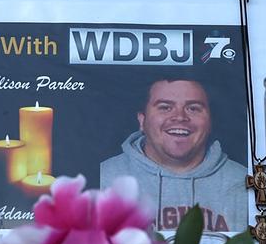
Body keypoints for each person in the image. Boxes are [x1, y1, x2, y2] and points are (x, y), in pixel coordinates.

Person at [99, 78, 248, 232]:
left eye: (193, 108)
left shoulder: (244, 183)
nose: (180, 117)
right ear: (142, 120)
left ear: (210, 121)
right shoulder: (103, 178)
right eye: (165, 107)